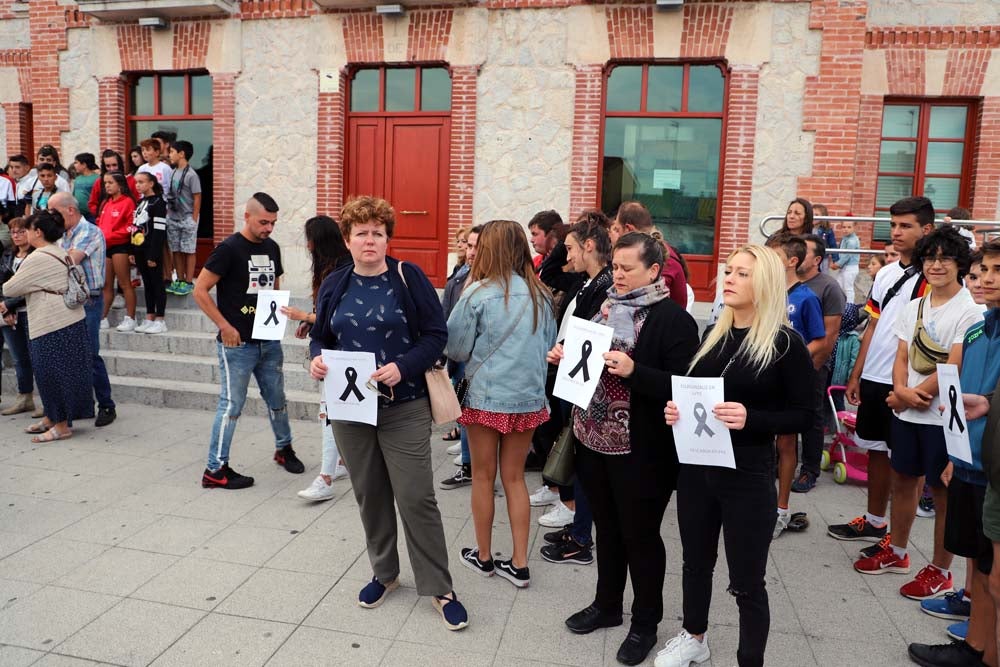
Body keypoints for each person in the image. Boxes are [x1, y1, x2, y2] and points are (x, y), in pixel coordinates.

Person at [308, 195, 469, 631]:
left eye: (378, 233)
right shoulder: (334, 284)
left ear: (387, 238)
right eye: (361, 233)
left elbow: (437, 335)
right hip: (349, 407)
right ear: (347, 239)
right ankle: (385, 573)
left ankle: (439, 586)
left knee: (416, 496)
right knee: (369, 492)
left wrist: (404, 366)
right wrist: (316, 358)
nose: (370, 240)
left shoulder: (407, 277)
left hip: (405, 405)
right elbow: (320, 335)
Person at [659, 245, 813, 667]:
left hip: (747, 471)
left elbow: (805, 414)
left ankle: (750, 659)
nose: (728, 279)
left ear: (763, 284)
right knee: (695, 562)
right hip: (697, 467)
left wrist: (753, 418)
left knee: (747, 580)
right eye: (729, 271)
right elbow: (693, 396)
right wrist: (675, 410)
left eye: (742, 274)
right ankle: (694, 636)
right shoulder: (714, 334)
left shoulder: (784, 344)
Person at [558, 233, 698, 666]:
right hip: (592, 439)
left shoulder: (673, 320)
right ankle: (607, 605)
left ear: (654, 271)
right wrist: (564, 357)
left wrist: (636, 371)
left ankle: (645, 623)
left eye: (627, 269)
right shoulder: (604, 307)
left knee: (640, 537)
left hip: (642, 451)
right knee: (606, 529)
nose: (617, 276)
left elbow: (685, 388)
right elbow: (585, 363)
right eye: (615, 267)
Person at [854, 227, 985, 600]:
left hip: (941, 416)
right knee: (903, 480)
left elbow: (957, 364)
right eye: (930, 257)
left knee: (942, 495)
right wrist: (900, 391)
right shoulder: (915, 305)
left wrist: (913, 394)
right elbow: (900, 355)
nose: (936, 264)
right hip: (907, 410)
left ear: (960, 263)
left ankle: (941, 571)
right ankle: (896, 552)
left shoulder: (970, 310)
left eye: (945, 258)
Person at [447, 219, 556, 589]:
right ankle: (521, 564)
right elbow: (549, 345)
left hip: (485, 398)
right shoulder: (542, 294)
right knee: (515, 479)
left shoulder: (477, 293)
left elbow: (456, 348)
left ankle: (483, 556)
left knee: (482, 475)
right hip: (528, 399)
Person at [907, 241, 1000, 667]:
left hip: (994, 466)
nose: (987, 278)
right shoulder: (981, 327)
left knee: (994, 575)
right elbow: (963, 397)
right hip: (970, 462)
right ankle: (975, 647)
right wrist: (954, 455)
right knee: (981, 570)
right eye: (983, 270)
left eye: (997, 270)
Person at [193, 192, 305, 489]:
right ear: (247, 216)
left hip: (268, 341)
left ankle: (284, 449)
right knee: (231, 406)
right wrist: (224, 326)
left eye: (273, 223)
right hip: (237, 344)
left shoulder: (272, 247)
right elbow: (200, 290)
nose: (268, 228)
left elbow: (275, 287)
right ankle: (215, 470)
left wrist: (281, 319)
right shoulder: (228, 249)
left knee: (277, 400)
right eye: (263, 222)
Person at [537, 211, 614, 559]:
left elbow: (596, 340)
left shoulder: (605, 286)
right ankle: (580, 525)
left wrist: (566, 354)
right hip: (571, 374)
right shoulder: (586, 281)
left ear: (590, 246)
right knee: (576, 453)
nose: (566, 256)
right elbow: (551, 272)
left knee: (583, 459)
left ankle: (583, 537)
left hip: (585, 381)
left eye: (571, 248)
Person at [3, 210, 93, 442]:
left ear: (38, 232)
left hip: (51, 322)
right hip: (69, 319)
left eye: (28, 229)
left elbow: (10, 288)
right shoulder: (60, 251)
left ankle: (61, 425)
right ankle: (52, 418)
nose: (25, 233)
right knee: (60, 372)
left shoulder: (37, 257)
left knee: (51, 374)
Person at [282, 215, 352, 501]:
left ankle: (325, 478)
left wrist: (306, 316)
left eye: (310, 238)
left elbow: (340, 317)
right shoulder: (328, 268)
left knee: (329, 413)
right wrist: (310, 323)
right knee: (333, 413)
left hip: (342, 355)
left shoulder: (343, 269)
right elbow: (324, 315)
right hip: (330, 352)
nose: (307, 244)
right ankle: (340, 464)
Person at [765, 234, 823, 538]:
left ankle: (781, 509)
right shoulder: (763, 293)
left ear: (792, 261)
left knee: (786, 444)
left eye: (773, 256)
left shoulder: (806, 297)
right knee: (761, 442)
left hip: (789, 382)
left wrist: (793, 363)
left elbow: (819, 339)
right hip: (762, 379)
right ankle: (759, 502)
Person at [49, 192, 117, 428]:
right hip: (67, 301)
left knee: (89, 354)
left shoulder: (89, 231)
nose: (51, 218)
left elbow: (68, 260)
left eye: (54, 212)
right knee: (69, 355)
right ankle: (77, 408)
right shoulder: (62, 234)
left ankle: (107, 405)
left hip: (88, 301)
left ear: (70, 210)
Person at [790, 235, 845, 493]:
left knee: (812, 417)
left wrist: (811, 367)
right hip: (783, 365)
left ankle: (809, 470)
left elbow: (829, 335)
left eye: (806, 251)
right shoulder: (786, 284)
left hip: (812, 364)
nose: (799, 254)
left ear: (817, 260)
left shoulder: (828, 287)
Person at [439, 225, 481, 491]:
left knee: (468, 412)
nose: (470, 251)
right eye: (468, 245)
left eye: (475, 246)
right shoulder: (461, 274)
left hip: (473, 359)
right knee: (464, 412)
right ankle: (469, 462)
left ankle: (470, 466)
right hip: (458, 355)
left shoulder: (484, 282)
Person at [0, 216, 41, 416]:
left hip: (31, 311)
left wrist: (9, 304)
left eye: (21, 231)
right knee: (19, 358)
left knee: (38, 356)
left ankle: (47, 400)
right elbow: (2, 284)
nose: (16, 235)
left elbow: (30, 286)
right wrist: (6, 308)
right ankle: (25, 397)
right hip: (9, 313)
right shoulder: (7, 255)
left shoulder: (36, 255)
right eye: (13, 232)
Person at [615, 201, 688, 309]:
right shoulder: (659, 251)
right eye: (615, 268)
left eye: (617, 230)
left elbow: (652, 306)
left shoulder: (662, 258)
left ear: (629, 229)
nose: (618, 275)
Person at [95, 172, 138, 333]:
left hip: (121, 246)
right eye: (105, 183)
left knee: (125, 283)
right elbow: (100, 222)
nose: (107, 185)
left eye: (110, 182)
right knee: (106, 285)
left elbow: (131, 225)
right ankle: (102, 318)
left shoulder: (127, 202)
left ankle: (131, 318)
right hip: (106, 247)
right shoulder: (106, 203)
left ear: (120, 184)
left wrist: (113, 235)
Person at [130, 171, 168, 334]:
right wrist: (132, 249)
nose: (138, 185)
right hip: (139, 248)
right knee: (147, 283)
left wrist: (153, 254)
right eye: (136, 182)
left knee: (156, 283)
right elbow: (134, 227)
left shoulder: (158, 203)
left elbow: (159, 231)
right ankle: (149, 316)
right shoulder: (140, 202)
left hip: (152, 249)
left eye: (141, 182)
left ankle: (160, 319)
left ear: (151, 183)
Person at [165, 140, 201, 297]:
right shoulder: (173, 172)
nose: (169, 155)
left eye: (172, 152)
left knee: (189, 250)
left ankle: (188, 281)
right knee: (176, 249)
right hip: (173, 217)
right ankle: (179, 279)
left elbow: (197, 196)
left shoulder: (191, 174)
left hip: (187, 217)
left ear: (182, 154)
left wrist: (194, 218)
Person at [87, 150, 136, 220]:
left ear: (120, 164)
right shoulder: (99, 182)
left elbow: (136, 201)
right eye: (108, 166)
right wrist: (102, 215)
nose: (112, 169)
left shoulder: (130, 181)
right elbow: (92, 203)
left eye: (114, 165)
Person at [831, 219, 861, 303]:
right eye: (844, 227)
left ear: (854, 228)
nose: (846, 229)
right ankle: (839, 302)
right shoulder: (846, 238)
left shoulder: (852, 241)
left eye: (849, 227)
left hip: (850, 267)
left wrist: (838, 264)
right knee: (839, 284)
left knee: (848, 287)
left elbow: (847, 255)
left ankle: (849, 305)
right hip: (845, 266)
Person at [71, 153, 100, 223]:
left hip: (92, 215)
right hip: (79, 215)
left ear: (84, 165)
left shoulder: (97, 178)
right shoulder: (77, 179)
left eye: (76, 163)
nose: (74, 165)